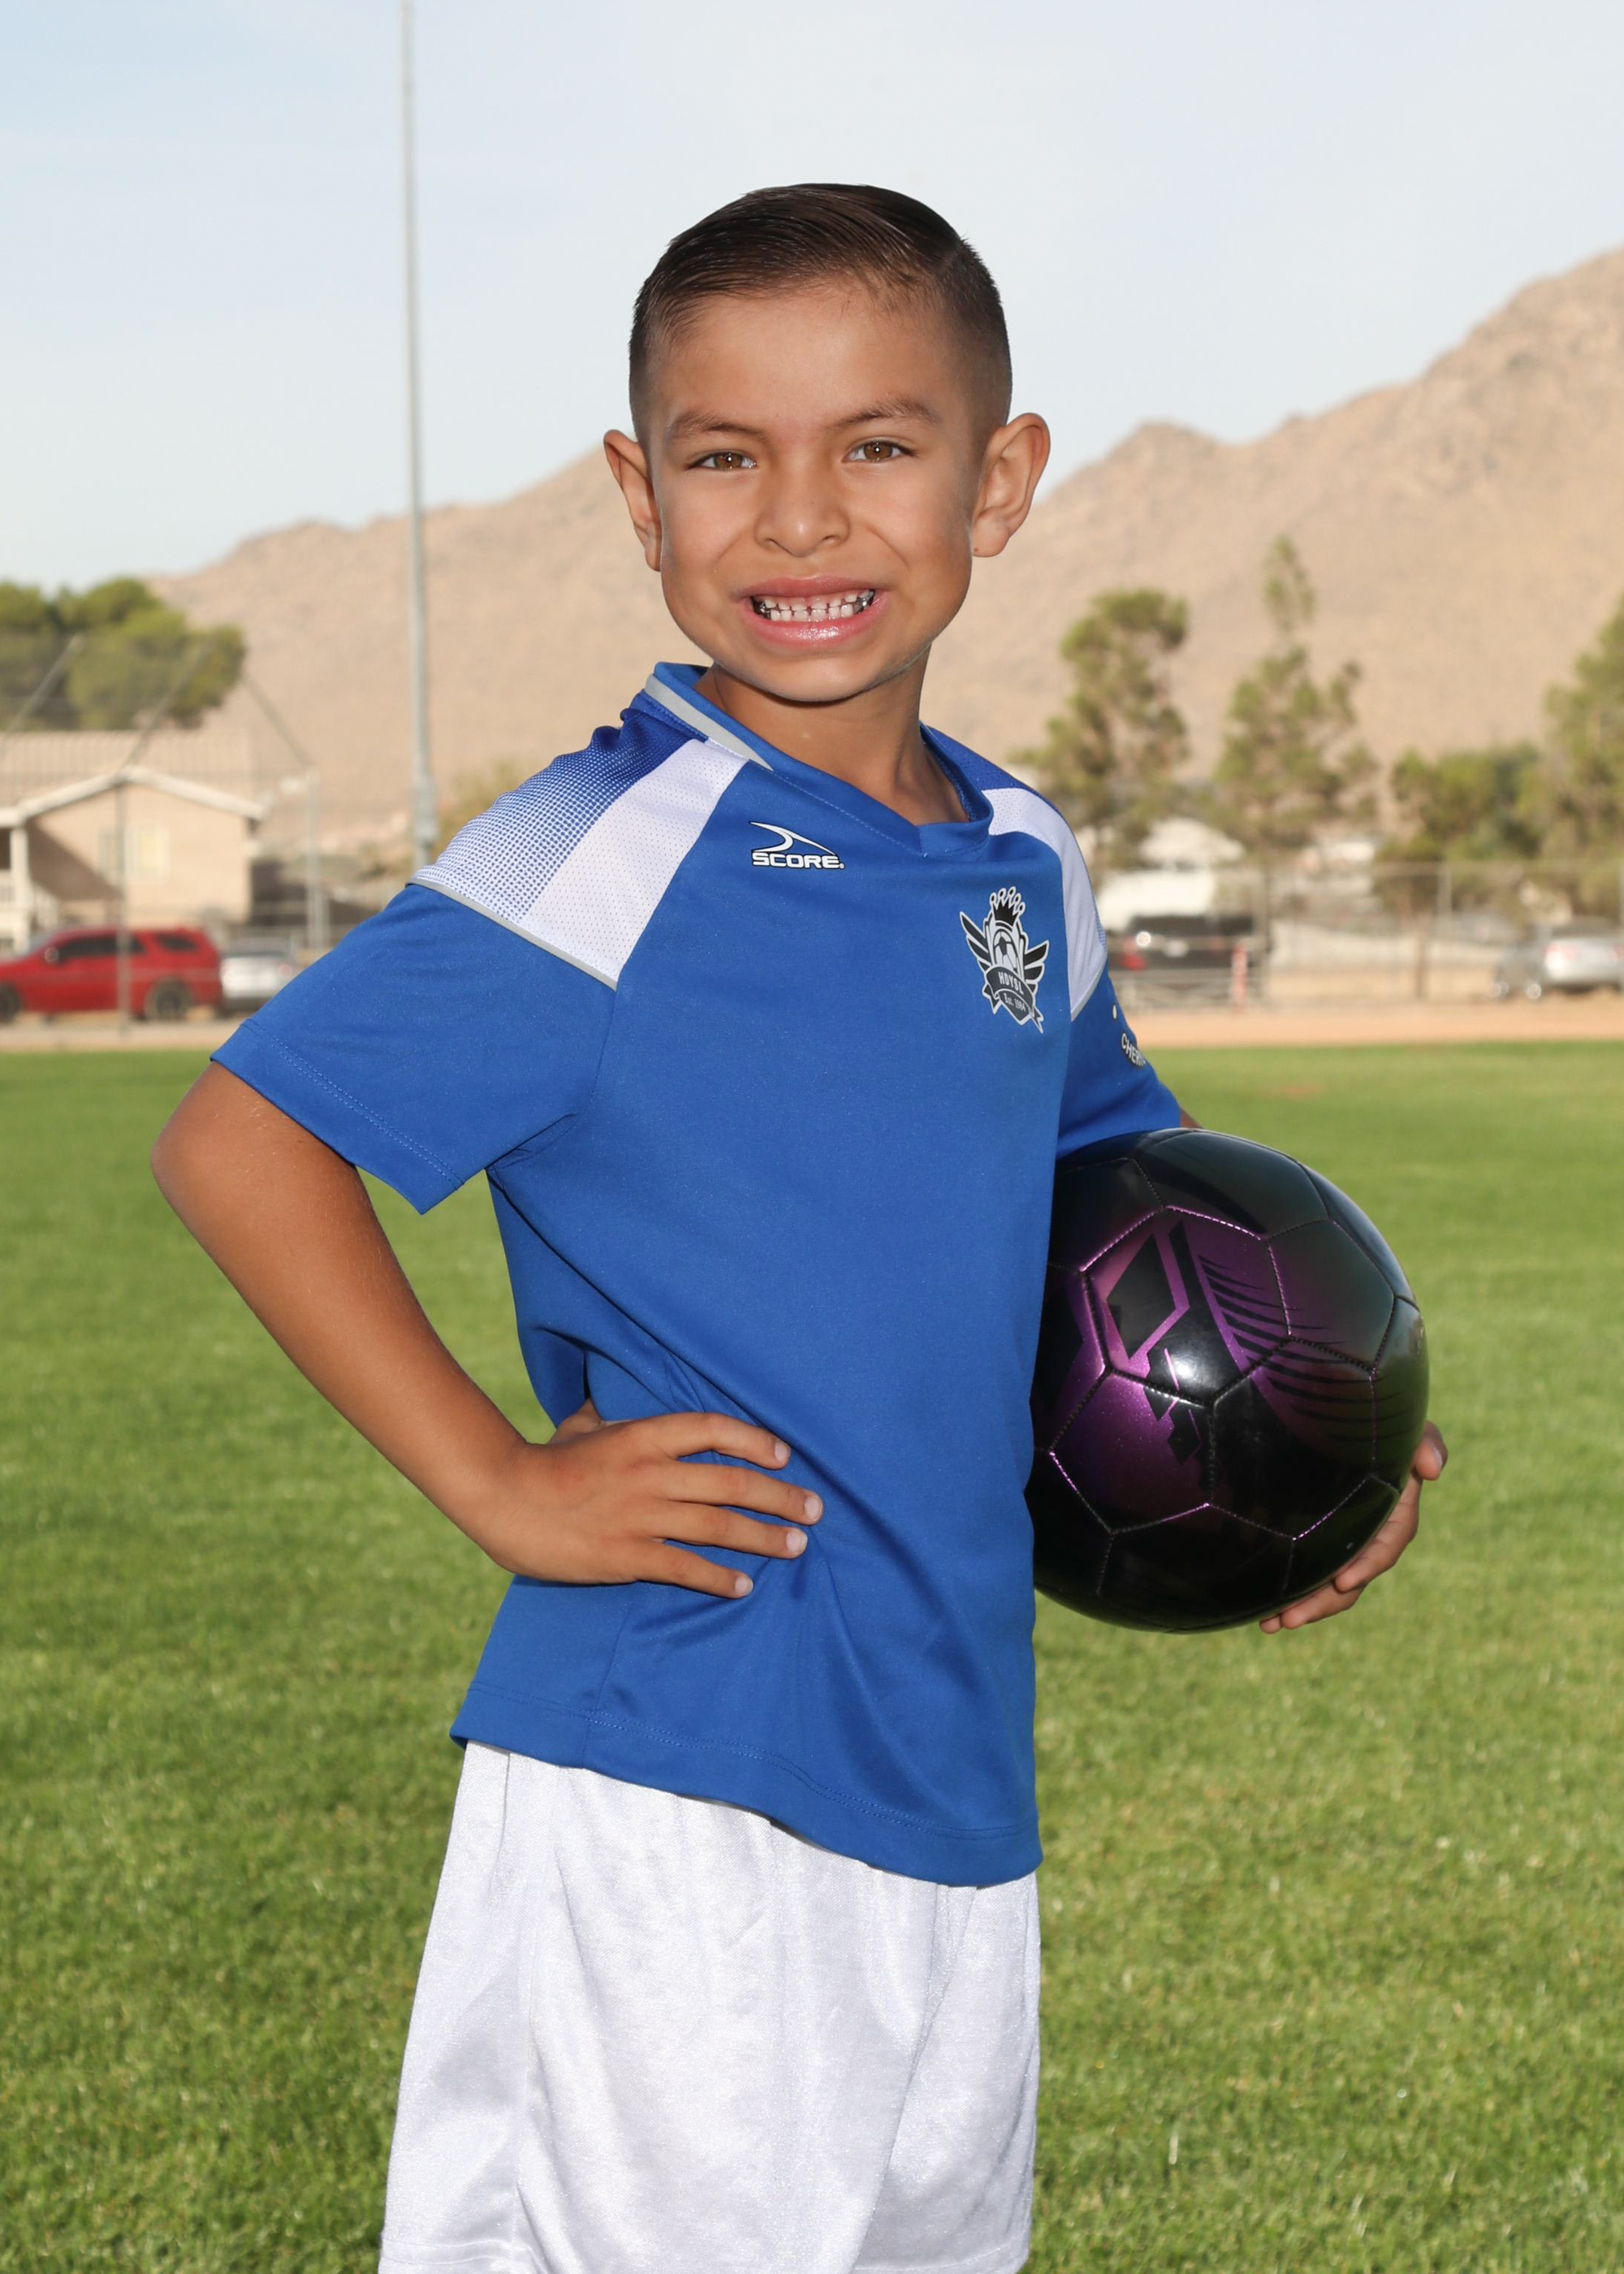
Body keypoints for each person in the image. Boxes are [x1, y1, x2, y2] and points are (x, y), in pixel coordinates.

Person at [152, 184, 1445, 2274]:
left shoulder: (1017, 853)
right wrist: (497, 1476)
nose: (801, 518)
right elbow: (242, 1138)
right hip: (680, 1767)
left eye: (878, 444)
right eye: (725, 456)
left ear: (997, 481)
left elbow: (1122, 1172)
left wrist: (1321, 1422)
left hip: (944, 1779)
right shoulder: (601, 846)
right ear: (637, 494)